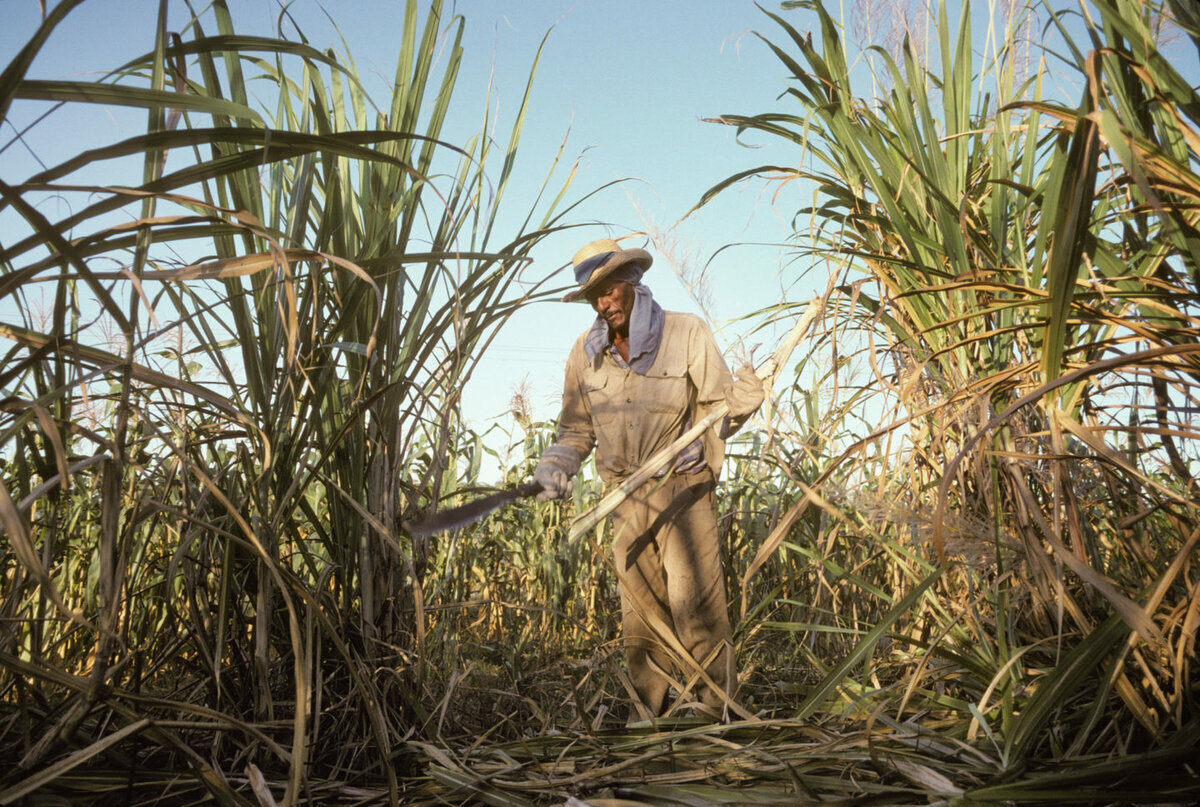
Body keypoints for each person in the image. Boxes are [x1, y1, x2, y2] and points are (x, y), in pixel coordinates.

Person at [533, 237, 765, 722]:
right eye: (593, 295)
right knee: (640, 619)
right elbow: (576, 429)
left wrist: (740, 406)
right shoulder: (585, 353)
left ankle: (715, 713)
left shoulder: (686, 333)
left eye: (608, 289)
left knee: (696, 605)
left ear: (632, 280)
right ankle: (650, 718)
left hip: (684, 489)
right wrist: (558, 463)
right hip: (624, 495)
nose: (603, 302)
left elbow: (720, 408)